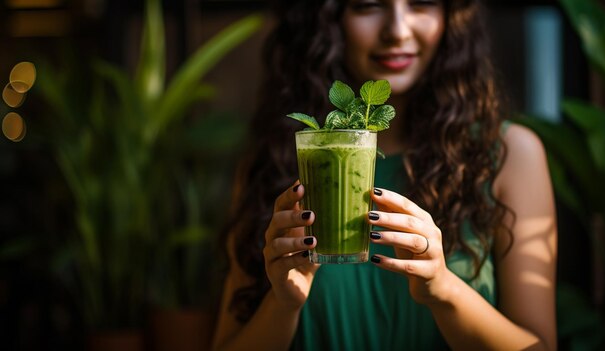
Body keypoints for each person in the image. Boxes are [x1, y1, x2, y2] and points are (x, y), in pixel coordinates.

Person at [212, 0, 557, 350]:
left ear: (451, 18)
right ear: (329, 22)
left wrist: (443, 290)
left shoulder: (510, 155)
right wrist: (283, 305)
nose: (398, 30)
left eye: (422, 3)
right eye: (368, 5)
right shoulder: (275, 160)